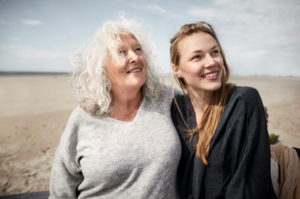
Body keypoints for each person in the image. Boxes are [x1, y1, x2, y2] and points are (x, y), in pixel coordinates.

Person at [49, 20, 181, 198]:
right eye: (121, 52)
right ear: (102, 67)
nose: (134, 57)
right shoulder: (82, 118)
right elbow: (61, 190)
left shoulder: (168, 99)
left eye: (138, 49)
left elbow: (206, 104)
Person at [170, 21, 277, 198]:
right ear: (177, 69)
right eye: (197, 57)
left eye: (215, 52)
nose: (212, 62)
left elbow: (248, 185)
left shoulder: (243, 101)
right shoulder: (176, 110)